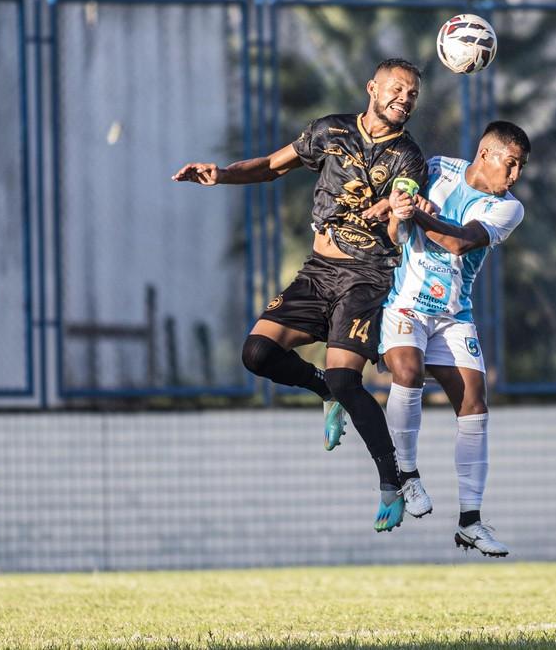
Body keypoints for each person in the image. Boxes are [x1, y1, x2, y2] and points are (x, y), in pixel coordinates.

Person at [172, 58, 427, 532]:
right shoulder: (330, 130)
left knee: (349, 380)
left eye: (412, 94)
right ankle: (321, 389)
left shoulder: (409, 158)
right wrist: (222, 174)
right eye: (397, 88)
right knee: (257, 352)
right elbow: (271, 165)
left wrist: (396, 209)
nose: (404, 99)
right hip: (317, 270)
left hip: (366, 277)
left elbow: (397, 230)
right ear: (371, 87)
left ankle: (392, 484)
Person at [382, 121, 529, 557]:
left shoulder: (509, 208)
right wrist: (398, 207)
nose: (516, 175)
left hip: (453, 315)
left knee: (474, 404)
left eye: (521, 167)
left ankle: (470, 521)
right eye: (511, 163)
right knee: (406, 371)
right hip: (406, 302)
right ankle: (406, 475)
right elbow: (396, 218)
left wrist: (419, 212)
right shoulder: (437, 167)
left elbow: (459, 242)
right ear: (485, 154)